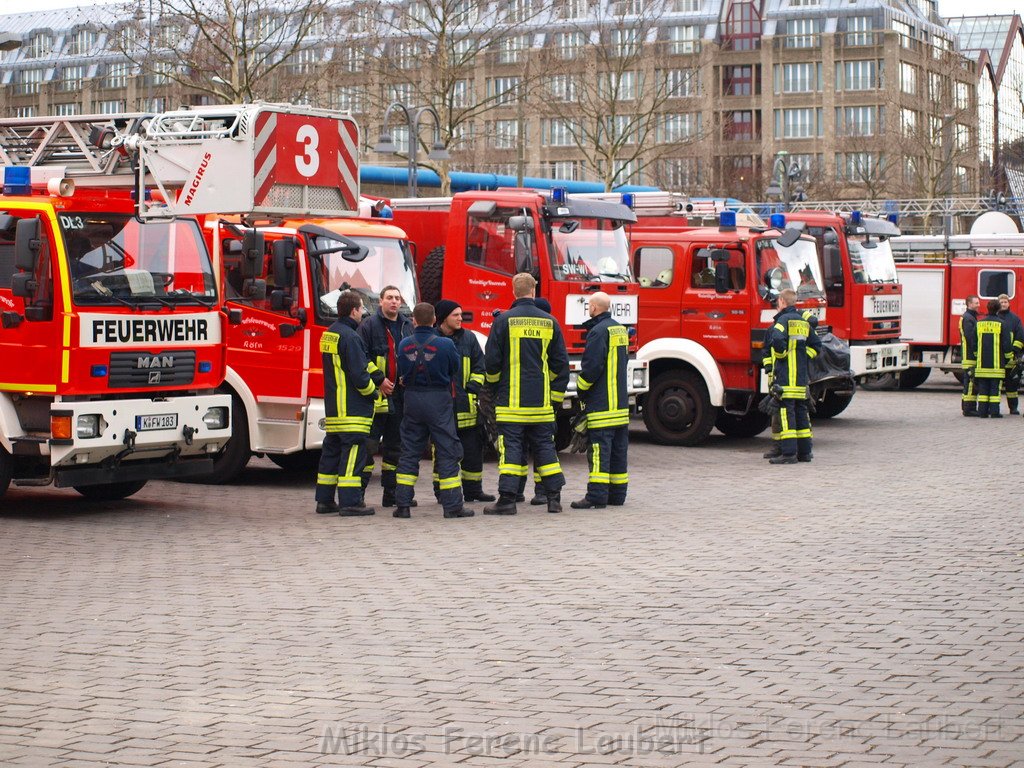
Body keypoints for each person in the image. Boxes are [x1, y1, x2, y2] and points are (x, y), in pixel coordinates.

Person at [483, 273, 570, 515]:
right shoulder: (550, 321)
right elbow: (560, 365)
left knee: (511, 451)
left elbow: (491, 362)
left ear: (513, 291)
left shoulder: (503, 321)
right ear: (533, 291)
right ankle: (554, 499)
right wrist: (553, 398)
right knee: (545, 450)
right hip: (541, 405)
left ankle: (508, 501)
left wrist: (494, 387)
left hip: (510, 404)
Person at [392, 303, 474, 519]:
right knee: (447, 451)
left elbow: (401, 371)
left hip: (412, 399)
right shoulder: (446, 344)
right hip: (438, 400)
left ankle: (402, 505)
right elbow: (454, 369)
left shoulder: (403, 345)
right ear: (435, 319)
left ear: (414, 321)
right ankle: (453, 507)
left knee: (409, 451)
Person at [316, 291, 383, 517]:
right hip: (352, 409)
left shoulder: (329, 334)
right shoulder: (351, 337)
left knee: (331, 455)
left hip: (334, 409)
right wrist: (374, 393)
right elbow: (359, 374)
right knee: (353, 455)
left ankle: (324, 501)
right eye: (361, 308)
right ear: (354, 310)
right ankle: (350, 502)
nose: (362, 312)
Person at [570, 292, 630, 509]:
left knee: (599, 452)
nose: (588, 309)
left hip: (602, 405)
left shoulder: (597, 332)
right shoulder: (620, 330)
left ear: (594, 308)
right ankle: (617, 495)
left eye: (589, 306)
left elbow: (592, 368)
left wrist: (581, 389)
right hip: (620, 406)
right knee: (618, 452)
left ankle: (596, 496)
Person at [432, 298, 495, 503]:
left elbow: (480, 366)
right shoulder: (432, 338)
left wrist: (473, 388)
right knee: (442, 452)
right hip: (442, 408)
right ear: (443, 318)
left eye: (461, 314)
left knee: (473, 452)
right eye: (455, 315)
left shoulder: (468, 338)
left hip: (467, 407)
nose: (460, 318)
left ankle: (473, 491)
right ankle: (443, 492)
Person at [358, 286, 413, 506]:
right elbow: (361, 357)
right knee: (369, 446)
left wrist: (407, 376)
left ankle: (391, 494)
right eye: (389, 298)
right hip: (376, 395)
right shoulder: (369, 326)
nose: (393, 302)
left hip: (399, 395)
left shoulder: (407, 326)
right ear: (380, 301)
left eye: (397, 298)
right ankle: (358, 493)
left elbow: (411, 354)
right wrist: (379, 380)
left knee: (395, 447)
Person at [767, 288, 822, 464]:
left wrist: (782, 355)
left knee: (786, 415)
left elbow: (776, 339)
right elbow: (817, 345)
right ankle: (805, 453)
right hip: (800, 379)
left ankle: (789, 454)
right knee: (801, 414)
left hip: (785, 378)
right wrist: (803, 356)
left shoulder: (782, 320)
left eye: (778, 301)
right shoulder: (803, 322)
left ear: (782, 302)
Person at [973, 298, 1014, 418]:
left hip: (981, 365)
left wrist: (977, 357)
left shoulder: (979, 323)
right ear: (998, 309)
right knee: (995, 391)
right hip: (996, 365)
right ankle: (995, 412)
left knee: (983, 390)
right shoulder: (1002, 324)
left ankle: (982, 412)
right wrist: (1008, 359)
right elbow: (1007, 344)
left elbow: (974, 343)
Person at [997, 293, 1024, 414]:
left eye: (1005, 302)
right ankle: (994, 408)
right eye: (1001, 302)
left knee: (1012, 386)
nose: (1003, 304)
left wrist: (1015, 350)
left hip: (1012, 359)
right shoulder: (995, 317)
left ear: (1009, 303)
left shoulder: (1015, 319)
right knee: (996, 386)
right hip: (998, 358)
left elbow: (1020, 336)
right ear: (998, 304)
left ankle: (1013, 408)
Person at [959, 295, 980, 416]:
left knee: (969, 382)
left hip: (968, 356)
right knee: (971, 383)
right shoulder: (968, 318)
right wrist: (977, 353)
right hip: (969, 357)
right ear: (969, 304)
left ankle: (967, 407)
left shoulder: (969, 317)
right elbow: (971, 338)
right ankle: (969, 409)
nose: (978, 305)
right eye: (976, 303)